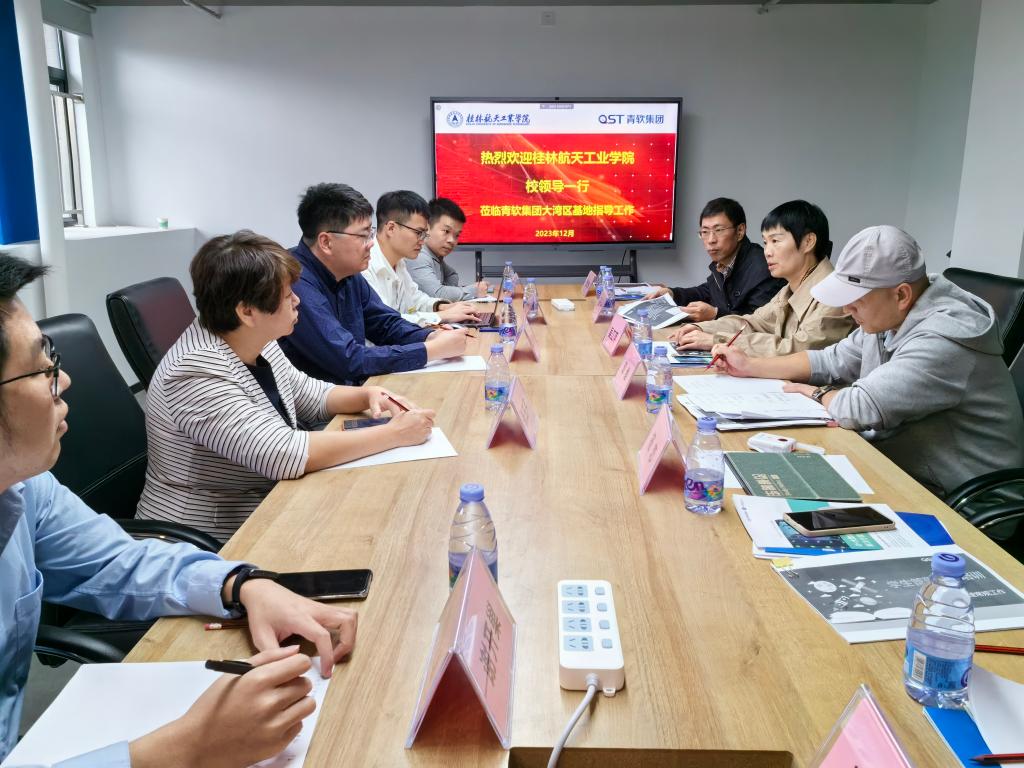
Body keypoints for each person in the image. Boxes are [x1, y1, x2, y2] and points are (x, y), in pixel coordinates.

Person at [0, 253, 358, 767]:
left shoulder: (24, 488)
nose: (65, 380)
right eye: (42, 368)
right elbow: (283, 453)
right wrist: (182, 750)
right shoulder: (198, 365)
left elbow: (119, 562)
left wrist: (241, 585)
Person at [137, 231, 435, 542]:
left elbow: (308, 394)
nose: (297, 301)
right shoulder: (194, 371)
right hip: (205, 539)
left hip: (263, 504)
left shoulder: (254, 337)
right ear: (247, 311)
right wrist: (394, 434)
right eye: (287, 295)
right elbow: (282, 453)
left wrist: (368, 394)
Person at [710, 225, 1024, 497]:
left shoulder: (943, 341)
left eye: (856, 299)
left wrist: (816, 393)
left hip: (961, 499)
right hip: (902, 467)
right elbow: (830, 360)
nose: (847, 309)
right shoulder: (889, 316)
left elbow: (860, 407)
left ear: (901, 295)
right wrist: (749, 366)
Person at [279, 183, 470, 385]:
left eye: (370, 234)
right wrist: (430, 350)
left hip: (356, 390)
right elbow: (348, 359)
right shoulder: (294, 280)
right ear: (326, 242)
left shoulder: (348, 272)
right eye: (363, 236)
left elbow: (385, 323)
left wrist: (430, 336)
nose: (371, 243)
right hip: (325, 401)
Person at [670, 200, 855, 355]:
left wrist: (716, 340)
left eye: (775, 241)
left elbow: (799, 351)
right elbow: (753, 322)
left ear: (808, 242)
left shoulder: (835, 296)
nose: (767, 251)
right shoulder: (790, 289)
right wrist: (702, 329)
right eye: (766, 242)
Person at [644, 198, 784, 320]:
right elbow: (708, 291)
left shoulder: (765, 268)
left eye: (719, 230)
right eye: (705, 232)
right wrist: (672, 293)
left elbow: (761, 323)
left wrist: (715, 314)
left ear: (740, 231)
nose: (711, 240)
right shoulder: (725, 262)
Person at [363, 191, 480, 326]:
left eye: (424, 234)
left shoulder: (399, 262)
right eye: (418, 233)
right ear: (391, 228)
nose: (422, 240)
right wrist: (440, 316)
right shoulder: (365, 267)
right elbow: (385, 322)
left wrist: (442, 306)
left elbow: (415, 298)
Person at [406, 197, 488, 302]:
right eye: (446, 231)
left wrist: (447, 292)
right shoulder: (418, 255)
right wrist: (474, 290)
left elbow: (452, 275)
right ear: (427, 228)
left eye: (457, 235)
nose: (452, 240)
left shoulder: (434, 255)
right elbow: (436, 294)